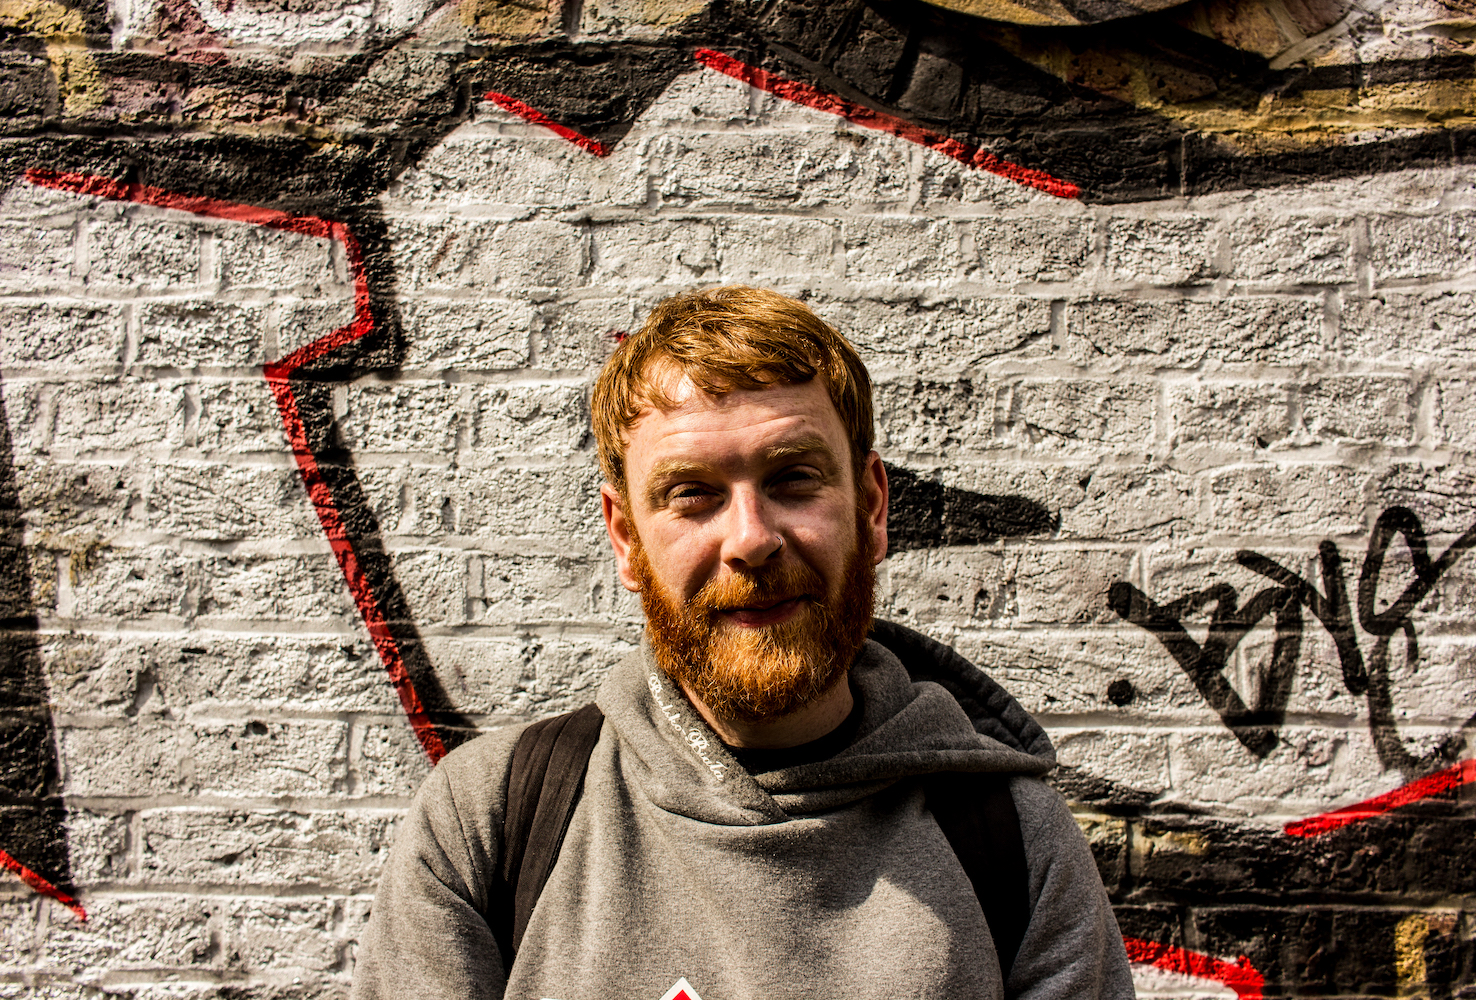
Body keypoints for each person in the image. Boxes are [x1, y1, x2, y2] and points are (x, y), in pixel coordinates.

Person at [352, 286, 1135, 1000]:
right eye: (692, 493)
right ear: (626, 537)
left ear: (870, 506)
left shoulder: (1013, 841)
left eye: (794, 479)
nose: (751, 540)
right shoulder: (492, 818)